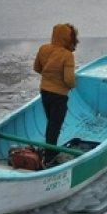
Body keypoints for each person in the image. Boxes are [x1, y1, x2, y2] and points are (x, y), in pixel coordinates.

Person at [33, 23, 78, 166]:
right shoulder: (67, 55)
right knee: (55, 126)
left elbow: (37, 68)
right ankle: (50, 156)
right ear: (68, 38)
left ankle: (49, 150)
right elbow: (69, 80)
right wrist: (73, 85)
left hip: (45, 92)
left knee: (51, 123)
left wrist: (49, 77)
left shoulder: (43, 48)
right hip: (59, 96)